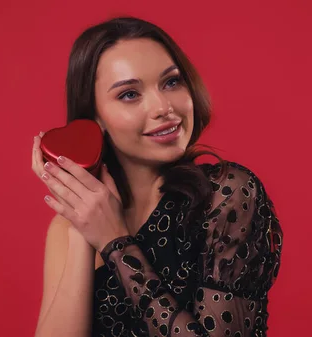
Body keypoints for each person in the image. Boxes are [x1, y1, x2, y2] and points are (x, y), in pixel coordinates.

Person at [31, 16, 283, 337]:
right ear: (95, 119)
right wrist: (84, 226)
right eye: (129, 94)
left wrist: (114, 243)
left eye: (171, 82)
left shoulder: (226, 194)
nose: (163, 107)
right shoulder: (66, 229)